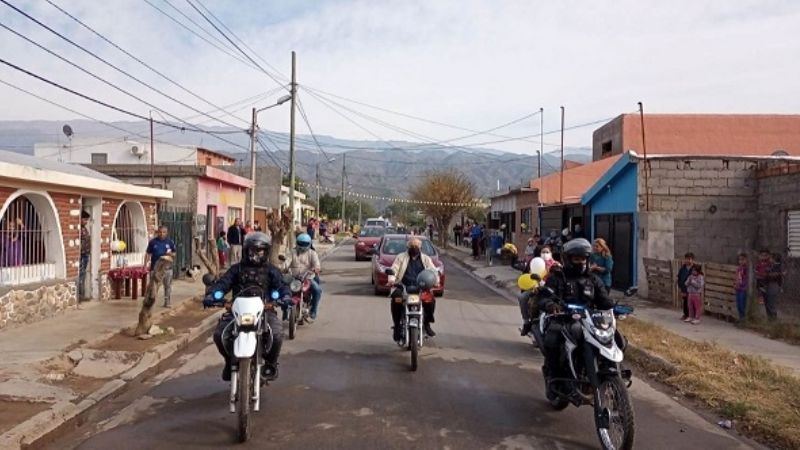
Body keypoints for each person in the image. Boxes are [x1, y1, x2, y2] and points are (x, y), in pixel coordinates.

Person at [205, 232, 291, 382]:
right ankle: (229, 360)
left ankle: (270, 363)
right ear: (246, 250)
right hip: (238, 311)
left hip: (264, 310)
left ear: (266, 251)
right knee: (219, 335)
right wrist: (212, 295)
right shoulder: (236, 269)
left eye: (259, 250)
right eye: (252, 250)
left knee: (277, 334)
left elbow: (282, 286)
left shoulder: (271, 270)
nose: (255, 254)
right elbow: (222, 284)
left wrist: (285, 296)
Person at [537, 238, 614, 400]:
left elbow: (604, 300)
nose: (581, 262)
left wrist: (614, 307)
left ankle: (611, 373)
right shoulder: (558, 277)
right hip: (563, 318)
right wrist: (551, 305)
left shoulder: (593, 279)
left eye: (584, 259)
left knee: (618, 338)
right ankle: (554, 378)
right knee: (552, 340)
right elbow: (544, 297)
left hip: (590, 320)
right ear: (568, 259)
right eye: (577, 259)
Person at [388, 238, 440, 340]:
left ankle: (426, 323)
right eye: (412, 246)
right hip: (404, 287)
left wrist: (436, 281)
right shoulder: (401, 257)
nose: (414, 248)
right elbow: (394, 269)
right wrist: (392, 278)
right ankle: (397, 326)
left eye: (416, 246)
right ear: (408, 247)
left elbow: (433, 271)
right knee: (396, 299)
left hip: (421, 288)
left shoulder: (426, 259)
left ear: (420, 248)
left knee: (430, 300)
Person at [287, 233, 322, 321]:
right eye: (301, 243)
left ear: (309, 244)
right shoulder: (292, 252)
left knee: (317, 290)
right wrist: (283, 267)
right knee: (281, 289)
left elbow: (316, 264)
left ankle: (313, 310)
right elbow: (287, 262)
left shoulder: (312, 253)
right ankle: (285, 310)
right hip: (294, 278)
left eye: (305, 244)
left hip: (308, 278)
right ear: (297, 243)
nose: (302, 246)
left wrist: (316, 268)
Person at [145, 225, 176, 308]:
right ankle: (151, 303)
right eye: (160, 232)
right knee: (153, 287)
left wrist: (170, 254)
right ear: (157, 232)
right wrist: (145, 265)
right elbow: (148, 253)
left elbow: (174, 253)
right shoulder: (153, 242)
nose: (162, 234)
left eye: (164, 232)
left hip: (167, 268)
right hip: (155, 268)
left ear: (166, 233)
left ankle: (167, 302)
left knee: (168, 286)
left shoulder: (170, 242)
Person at [677, 252, 695, 321]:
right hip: (684, 288)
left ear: (692, 260)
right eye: (686, 259)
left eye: (689, 259)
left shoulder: (694, 269)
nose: (687, 260)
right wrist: (680, 286)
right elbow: (679, 277)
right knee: (685, 302)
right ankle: (686, 314)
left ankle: (692, 316)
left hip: (692, 289)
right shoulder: (683, 268)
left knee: (691, 302)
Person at [78, 211, 91, 301]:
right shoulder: (79, 229)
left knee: (83, 275)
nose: (86, 222)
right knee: (80, 275)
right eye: (85, 219)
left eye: (87, 220)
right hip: (81, 255)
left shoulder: (85, 229)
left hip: (85, 254)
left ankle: (81, 295)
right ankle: (79, 296)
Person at [734, 253, 748, 321]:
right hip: (738, 288)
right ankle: (740, 318)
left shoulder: (746, 269)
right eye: (739, 260)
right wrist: (735, 284)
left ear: (746, 260)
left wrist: (743, 285)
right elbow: (737, 277)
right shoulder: (738, 268)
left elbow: (746, 279)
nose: (741, 261)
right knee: (738, 304)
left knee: (742, 304)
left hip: (743, 289)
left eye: (743, 260)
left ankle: (743, 318)